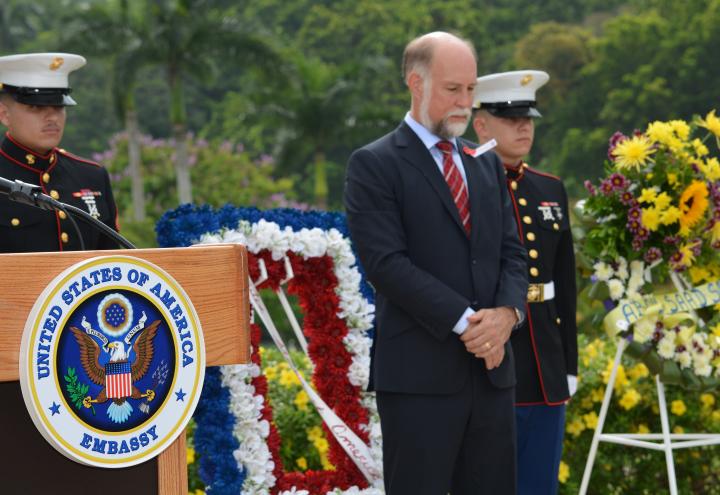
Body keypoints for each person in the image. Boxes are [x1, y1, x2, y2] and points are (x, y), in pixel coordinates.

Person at [344, 32, 528, 494]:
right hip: (418, 382)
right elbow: (386, 264)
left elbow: (512, 252)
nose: (465, 102)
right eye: (452, 89)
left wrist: (506, 316)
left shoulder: (484, 163)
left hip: (492, 376)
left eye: (470, 90)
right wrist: (469, 324)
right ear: (416, 83)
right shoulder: (374, 164)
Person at [0, 53, 153, 494]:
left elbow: (114, 263)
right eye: (36, 108)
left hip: (85, 368)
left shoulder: (89, 175)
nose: (52, 118)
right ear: (5, 111)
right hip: (12, 361)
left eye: (58, 107)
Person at [472, 70, 578, 495]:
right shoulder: (465, 185)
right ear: (481, 125)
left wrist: (569, 363)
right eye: (509, 117)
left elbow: (565, 285)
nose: (524, 126)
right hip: (491, 359)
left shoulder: (549, 188)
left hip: (545, 360)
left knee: (539, 482)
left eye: (529, 117)